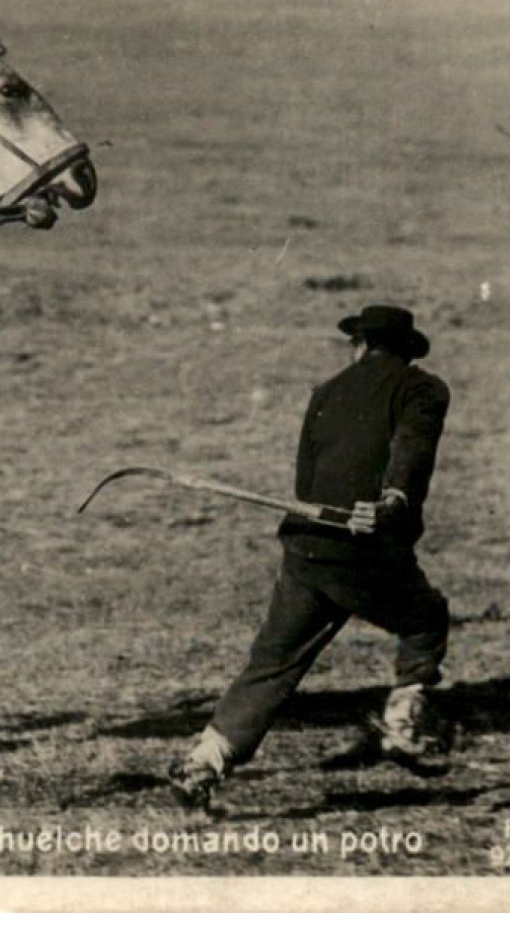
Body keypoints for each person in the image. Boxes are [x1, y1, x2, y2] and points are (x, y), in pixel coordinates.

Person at [168, 305, 453, 808]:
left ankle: (205, 760)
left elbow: (306, 482)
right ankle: (404, 722)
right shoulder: (423, 388)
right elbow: (413, 449)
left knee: (273, 663)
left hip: (307, 545)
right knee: (426, 618)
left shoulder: (325, 393)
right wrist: (394, 501)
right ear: (408, 352)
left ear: (358, 345)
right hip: (364, 548)